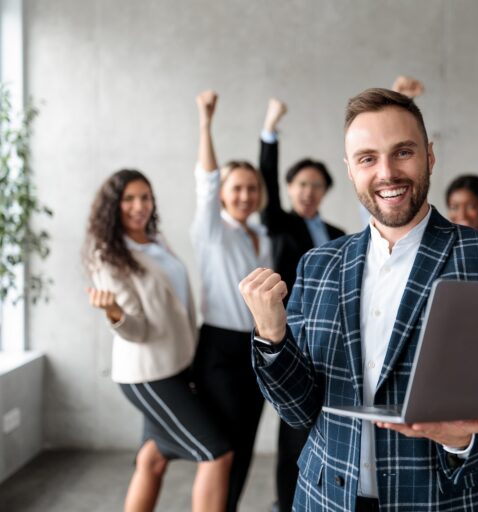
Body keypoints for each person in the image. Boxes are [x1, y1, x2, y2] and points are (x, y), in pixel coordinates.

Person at [239, 88, 478, 511]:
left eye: (403, 152)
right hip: (326, 498)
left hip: (444, 501)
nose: (387, 172)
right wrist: (272, 336)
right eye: (368, 158)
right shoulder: (318, 264)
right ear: (351, 170)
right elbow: (298, 410)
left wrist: (466, 439)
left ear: (429, 156)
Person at [84, 169, 233, 512]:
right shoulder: (108, 257)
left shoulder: (155, 241)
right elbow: (138, 331)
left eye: (145, 197)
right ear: (113, 206)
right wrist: (114, 314)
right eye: (129, 199)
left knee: (152, 460)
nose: (140, 206)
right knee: (217, 453)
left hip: (177, 365)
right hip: (148, 374)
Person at [257, 100, 346, 512]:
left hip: (331, 336)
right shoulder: (280, 222)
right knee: (292, 425)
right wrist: (270, 130)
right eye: (301, 185)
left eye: (316, 185)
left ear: (326, 191)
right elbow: (267, 182)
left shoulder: (337, 233)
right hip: (291, 334)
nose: (308, 192)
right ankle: (285, 502)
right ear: (291, 190)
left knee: (325, 421)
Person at [191, 90, 273, 511]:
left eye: (252, 188)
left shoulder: (259, 235)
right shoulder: (212, 232)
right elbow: (205, 182)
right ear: (223, 194)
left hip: (255, 349)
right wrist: (206, 123)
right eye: (236, 188)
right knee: (219, 449)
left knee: (243, 446)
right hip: (220, 348)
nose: (245, 195)